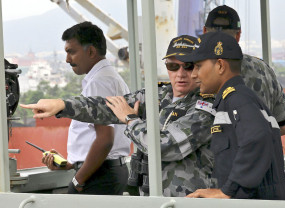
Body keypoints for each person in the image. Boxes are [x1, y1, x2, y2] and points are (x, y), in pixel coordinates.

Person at [21, 35, 216, 197]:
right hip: (151, 198)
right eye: (173, 67)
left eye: (188, 66)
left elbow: (164, 147)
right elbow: (107, 107)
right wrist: (63, 105)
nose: (180, 74)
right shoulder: (157, 95)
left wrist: (131, 120)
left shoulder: (205, 107)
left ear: (198, 67)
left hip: (187, 201)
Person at [181, 31, 285, 200]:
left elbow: (257, 137)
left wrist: (227, 191)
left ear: (220, 65)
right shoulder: (235, 99)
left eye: (198, 66)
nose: (194, 74)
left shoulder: (237, 99)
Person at [39, 22, 131, 195]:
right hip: (104, 171)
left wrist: (78, 179)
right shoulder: (108, 78)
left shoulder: (99, 83)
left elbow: (105, 140)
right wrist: (73, 162)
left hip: (98, 176)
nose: (67, 60)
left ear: (90, 51)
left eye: (71, 52)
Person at [203, 5, 285, 135]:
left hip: (219, 154)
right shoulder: (264, 70)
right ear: (238, 35)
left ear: (205, 31)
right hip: (259, 153)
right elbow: (284, 126)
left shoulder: (195, 71)